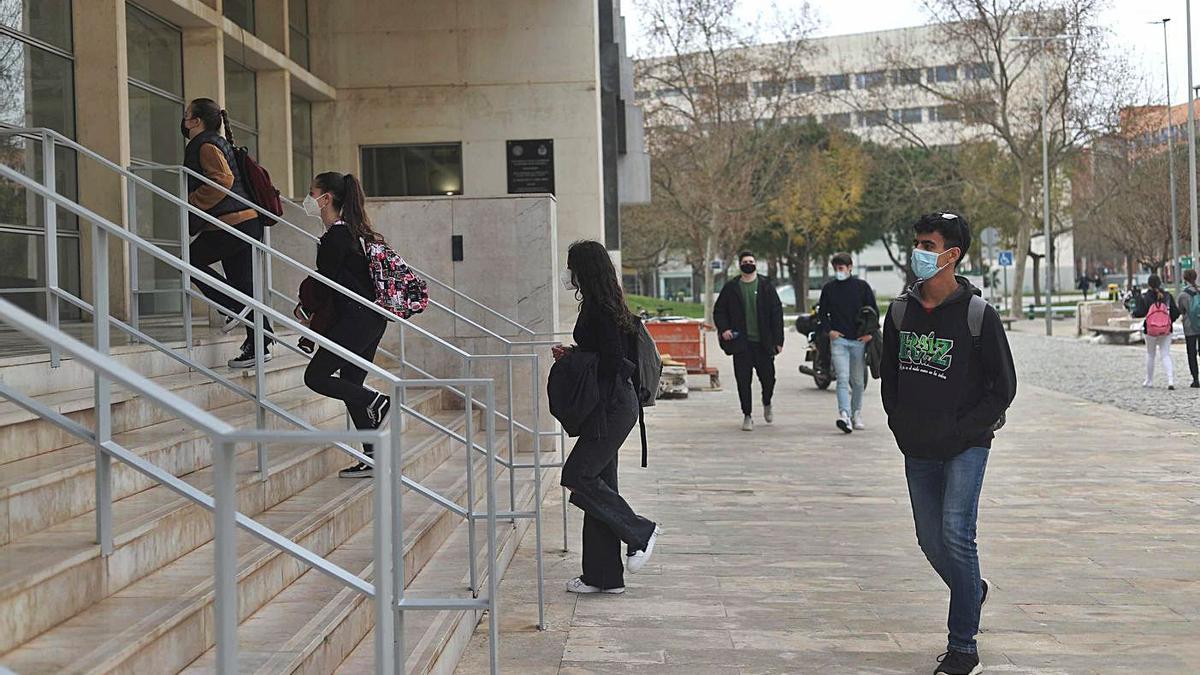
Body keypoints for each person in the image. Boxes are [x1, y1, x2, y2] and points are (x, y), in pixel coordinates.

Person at [882, 212, 1017, 675]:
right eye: (916, 242)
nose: (918, 251)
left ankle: (963, 646)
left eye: (927, 244)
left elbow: (1003, 387)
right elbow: (890, 379)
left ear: (951, 254)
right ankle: (970, 590)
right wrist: (899, 424)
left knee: (957, 536)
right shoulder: (900, 312)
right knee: (929, 539)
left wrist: (967, 430)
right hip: (917, 446)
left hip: (966, 445)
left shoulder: (980, 315)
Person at [556, 240, 660, 595]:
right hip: (613, 405)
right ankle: (603, 576)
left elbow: (613, 361)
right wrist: (575, 354)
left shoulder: (600, 307)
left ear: (584, 269)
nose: (567, 273)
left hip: (612, 407)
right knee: (601, 486)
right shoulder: (605, 302)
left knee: (577, 475)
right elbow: (603, 352)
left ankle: (639, 531)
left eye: (571, 266)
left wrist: (574, 361)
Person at [299, 172, 392, 478]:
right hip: (369, 319)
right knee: (350, 383)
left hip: (356, 319)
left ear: (326, 198)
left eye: (312, 192)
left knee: (316, 376)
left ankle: (375, 400)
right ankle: (373, 457)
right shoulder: (351, 231)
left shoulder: (336, 237)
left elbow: (324, 283)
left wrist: (305, 306)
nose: (308, 198)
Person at [181, 97, 274, 369]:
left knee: (188, 261)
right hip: (245, 222)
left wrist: (192, 201)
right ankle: (259, 344)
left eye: (187, 116)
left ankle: (232, 305)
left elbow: (222, 179)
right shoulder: (217, 142)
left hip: (232, 223)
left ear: (196, 121)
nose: (184, 122)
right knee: (244, 284)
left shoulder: (206, 144)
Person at [713, 251, 785, 431]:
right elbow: (719, 311)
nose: (748, 264)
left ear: (756, 264)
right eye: (745, 262)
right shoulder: (731, 288)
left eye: (751, 261)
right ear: (740, 265)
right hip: (741, 345)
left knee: (768, 378)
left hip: (764, 343)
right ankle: (747, 414)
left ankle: (767, 402)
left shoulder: (766, 286)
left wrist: (779, 340)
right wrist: (724, 329)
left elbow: (777, 314)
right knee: (743, 381)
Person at [818, 252, 879, 433]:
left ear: (850, 267)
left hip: (859, 341)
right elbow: (823, 314)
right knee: (842, 378)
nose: (839, 271)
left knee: (858, 381)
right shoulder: (829, 289)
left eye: (842, 268)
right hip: (839, 341)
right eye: (836, 268)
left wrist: (870, 334)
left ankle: (856, 413)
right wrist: (830, 331)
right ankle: (844, 414)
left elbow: (873, 312)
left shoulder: (862, 287)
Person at [1131, 274, 1180, 391]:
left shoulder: (1145, 297)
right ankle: (1170, 380)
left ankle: (1149, 380)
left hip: (1150, 330)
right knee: (1165, 354)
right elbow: (1175, 312)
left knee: (1150, 354)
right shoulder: (1167, 296)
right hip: (1166, 330)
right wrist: (1167, 321)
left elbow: (1139, 312)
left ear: (1149, 284)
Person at [1181, 269, 1200, 388]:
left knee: (1191, 353)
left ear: (1184, 278)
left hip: (1190, 328)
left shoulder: (1183, 295)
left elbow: (1181, 310)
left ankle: (1196, 379)